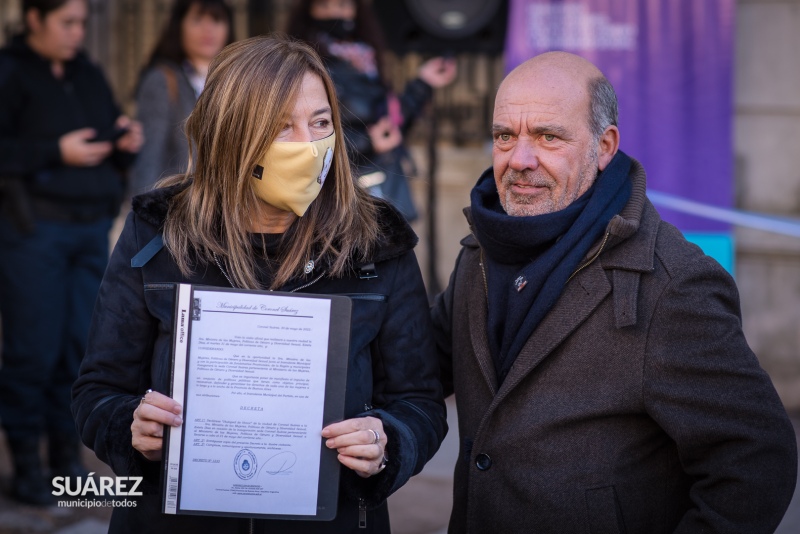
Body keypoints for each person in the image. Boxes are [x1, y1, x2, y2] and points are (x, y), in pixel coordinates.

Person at [72, 36, 445, 533]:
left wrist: (387, 443)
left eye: (320, 123)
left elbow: (421, 402)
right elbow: (97, 392)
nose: (309, 145)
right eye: (281, 127)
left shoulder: (375, 243)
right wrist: (130, 426)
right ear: (233, 135)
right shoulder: (158, 234)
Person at [431, 51, 798, 533]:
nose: (519, 160)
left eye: (548, 136)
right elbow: (418, 370)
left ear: (604, 147)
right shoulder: (479, 248)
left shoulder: (673, 283)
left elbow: (756, 458)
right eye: (505, 136)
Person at [0, 0, 143, 506]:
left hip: (89, 232)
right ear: (35, 18)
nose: (77, 33)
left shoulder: (88, 73)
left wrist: (124, 141)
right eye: (67, 22)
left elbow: (104, 133)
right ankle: (26, 469)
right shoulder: (10, 71)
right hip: (32, 231)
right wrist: (54, 152)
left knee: (78, 353)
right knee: (30, 352)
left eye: (83, 23)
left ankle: (66, 465)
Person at [287, 0, 456, 222]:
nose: (334, 12)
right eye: (324, 4)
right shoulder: (308, 66)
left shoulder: (367, 58)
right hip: (339, 194)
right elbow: (309, 137)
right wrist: (368, 142)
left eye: (343, 4)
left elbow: (390, 120)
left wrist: (423, 83)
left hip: (381, 185)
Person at [129, 0, 233, 196]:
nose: (208, 29)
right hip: (178, 207)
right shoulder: (162, 80)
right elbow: (149, 158)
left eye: (216, 20)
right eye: (197, 20)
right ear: (180, 26)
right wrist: (144, 213)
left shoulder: (237, 81)